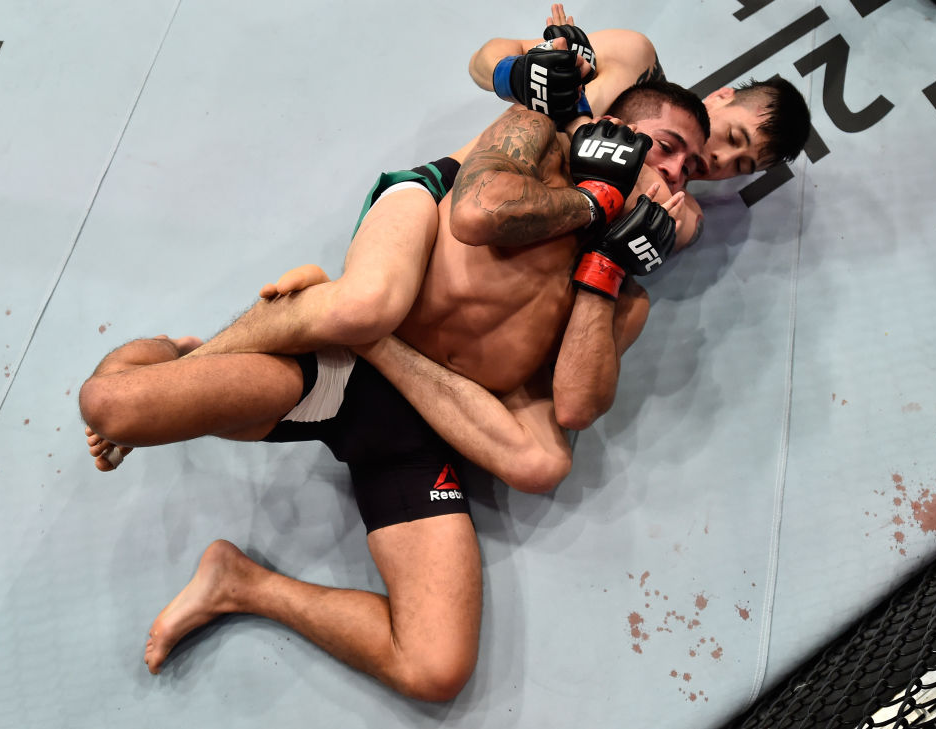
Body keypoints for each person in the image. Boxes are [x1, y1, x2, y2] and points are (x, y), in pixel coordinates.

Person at [79, 81, 708, 700]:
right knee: (113, 405)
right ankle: (182, 353)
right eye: (668, 148)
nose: (678, 175)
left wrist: (608, 266)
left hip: (420, 432)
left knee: (435, 667)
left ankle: (240, 583)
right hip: (333, 369)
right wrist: (595, 200)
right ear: (619, 134)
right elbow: (476, 212)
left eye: (691, 170)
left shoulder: (628, 292)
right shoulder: (536, 151)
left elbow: (574, 404)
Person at [470, 4, 811, 182]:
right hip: (456, 183)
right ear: (722, 97)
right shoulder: (636, 60)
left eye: (741, 166)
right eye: (734, 137)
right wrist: (514, 75)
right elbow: (483, 59)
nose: (722, 159)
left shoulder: (673, 205)